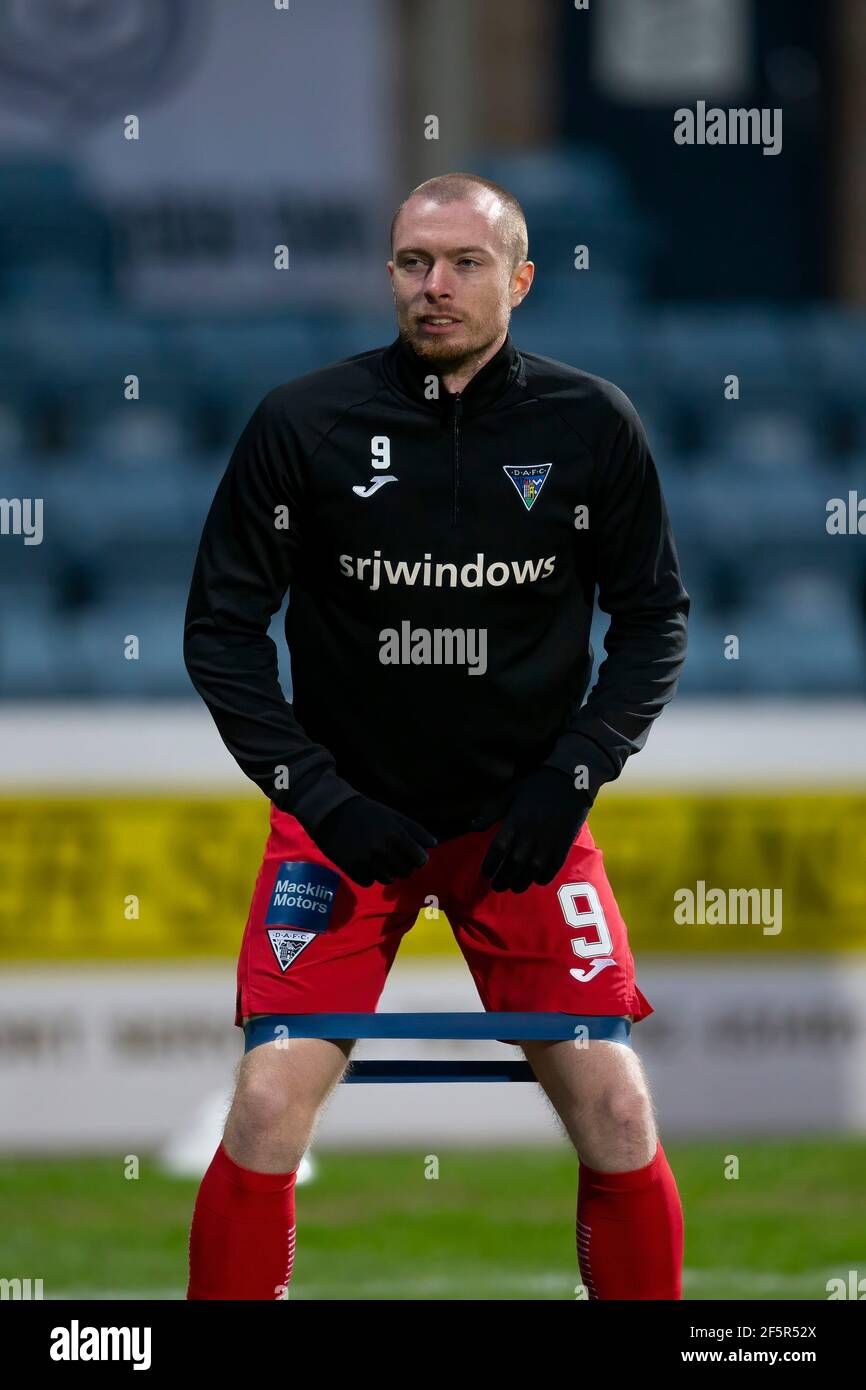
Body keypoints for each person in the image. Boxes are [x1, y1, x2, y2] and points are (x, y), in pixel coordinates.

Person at [183, 172, 689, 1300]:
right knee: (267, 1105)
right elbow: (220, 633)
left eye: (463, 263)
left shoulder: (588, 422)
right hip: (344, 827)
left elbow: (655, 617)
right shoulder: (301, 423)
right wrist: (320, 796)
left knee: (615, 1105)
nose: (434, 286)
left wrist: (572, 774)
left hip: (524, 826)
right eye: (412, 262)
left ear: (517, 278)